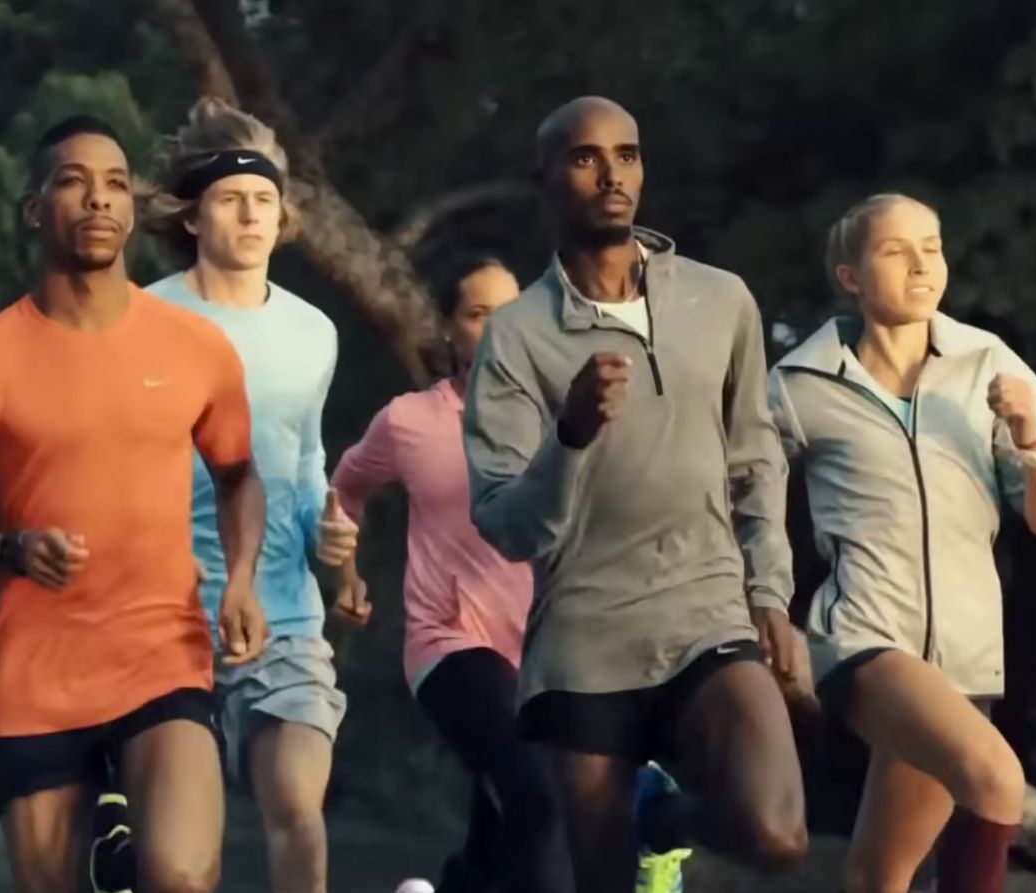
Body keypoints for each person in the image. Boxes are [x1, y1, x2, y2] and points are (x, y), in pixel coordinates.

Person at [0, 114, 268, 893]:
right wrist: (8, 547)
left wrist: (240, 579)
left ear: (132, 210)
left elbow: (239, 475)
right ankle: (111, 835)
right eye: (73, 182)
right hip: (37, 675)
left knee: (181, 876)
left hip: (162, 653)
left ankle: (129, 845)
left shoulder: (195, 347)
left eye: (113, 184)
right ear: (36, 209)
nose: (98, 200)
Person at [461, 96, 808, 893]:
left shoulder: (721, 300)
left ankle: (668, 818)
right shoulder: (514, 336)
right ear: (544, 177)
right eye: (586, 157)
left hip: (707, 609)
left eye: (629, 154)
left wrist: (771, 591)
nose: (613, 174)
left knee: (777, 832)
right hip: (585, 637)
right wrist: (571, 435)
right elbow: (507, 524)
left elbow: (757, 458)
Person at [768, 193, 1036, 893]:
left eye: (931, 247)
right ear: (850, 275)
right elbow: (738, 498)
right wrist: (763, 605)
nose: (921, 265)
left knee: (879, 874)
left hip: (965, 658)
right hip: (864, 639)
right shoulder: (797, 384)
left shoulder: (989, 364)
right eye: (895, 251)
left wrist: (1030, 439)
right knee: (997, 779)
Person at [139, 96, 357, 893]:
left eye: (265, 199)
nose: (252, 215)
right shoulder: (144, 319)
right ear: (193, 215)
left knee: (300, 803)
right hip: (161, 624)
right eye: (232, 199)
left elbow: (304, 467)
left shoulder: (314, 333)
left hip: (284, 621)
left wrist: (332, 541)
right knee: (180, 864)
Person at [330, 252, 573, 893]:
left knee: (508, 812)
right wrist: (346, 574)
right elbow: (347, 488)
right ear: (448, 329)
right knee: (536, 796)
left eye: (512, 311)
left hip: (544, 651)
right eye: (478, 312)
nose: (498, 327)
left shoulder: (561, 420)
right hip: (450, 642)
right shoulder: (410, 420)